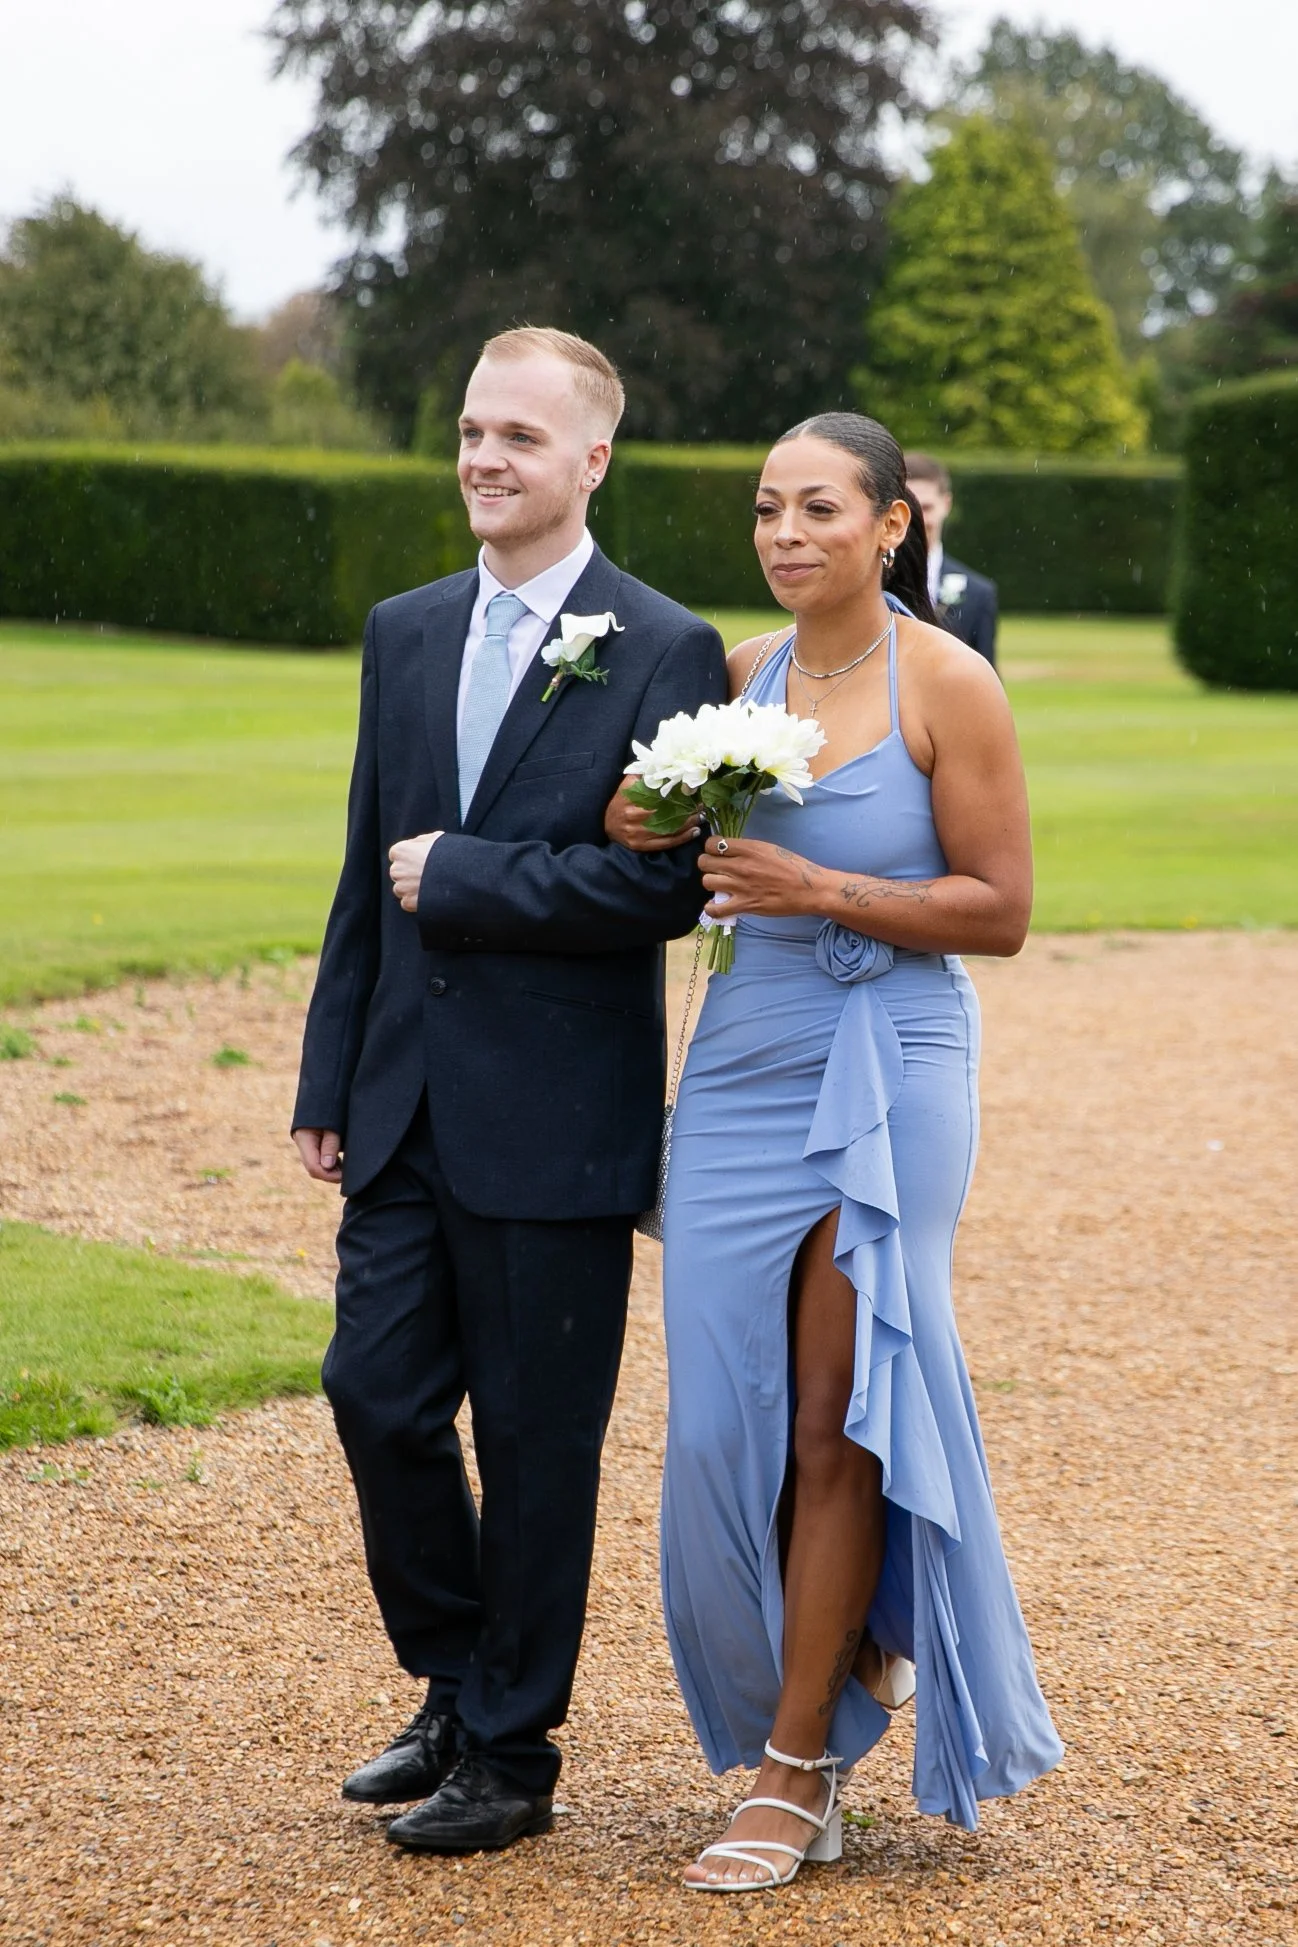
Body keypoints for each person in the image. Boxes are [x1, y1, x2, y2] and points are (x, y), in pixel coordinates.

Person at [607, 411, 1062, 1892]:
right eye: (765, 509)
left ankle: (794, 1765)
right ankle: (843, 1650)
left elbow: (999, 908)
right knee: (713, 1424)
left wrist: (818, 888)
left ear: (888, 525)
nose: (784, 533)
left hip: (891, 1062)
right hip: (741, 1066)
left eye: (817, 508)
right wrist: (650, 814)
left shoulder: (949, 681)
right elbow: (658, 828)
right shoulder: (743, 672)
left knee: (831, 1411)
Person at [292, 326, 727, 1855]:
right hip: (403, 1101)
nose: (484, 456)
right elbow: (366, 870)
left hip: (557, 1118)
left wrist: (470, 877)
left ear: (590, 460)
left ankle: (511, 1751)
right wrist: (327, 1074)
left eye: (519, 437)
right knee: (376, 1394)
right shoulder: (404, 629)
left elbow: (663, 886)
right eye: (474, 430)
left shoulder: (664, 645)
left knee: (539, 1445)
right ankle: (456, 1675)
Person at [905, 451, 998, 668]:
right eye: (909, 508)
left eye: (926, 508)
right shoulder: (869, 583)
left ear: (946, 504)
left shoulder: (978, 594)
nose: (918, 519)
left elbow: (986, 677)